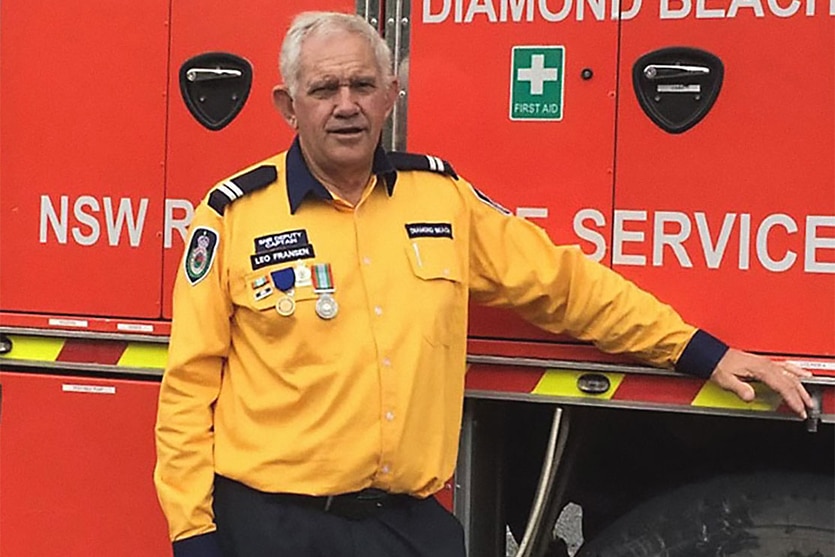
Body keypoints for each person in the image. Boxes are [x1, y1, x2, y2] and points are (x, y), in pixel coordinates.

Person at [154, 10, 814, 557]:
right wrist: (194, 533)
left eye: (363, 85)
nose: (346, 105)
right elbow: (188, 388)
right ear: (288, 105)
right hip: (274, 528)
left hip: (406, 527)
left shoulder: (441, 200)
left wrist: (704, 352)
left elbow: (565, 286)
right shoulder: (235, 213)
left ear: (390, 96)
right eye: (324, 89)